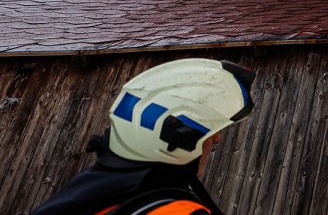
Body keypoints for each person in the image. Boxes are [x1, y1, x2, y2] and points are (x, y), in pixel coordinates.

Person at [31, 58, 255, 215]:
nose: (216, 140)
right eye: (209, 133)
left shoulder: (88, 190)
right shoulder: (173, 211)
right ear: (176, 139)